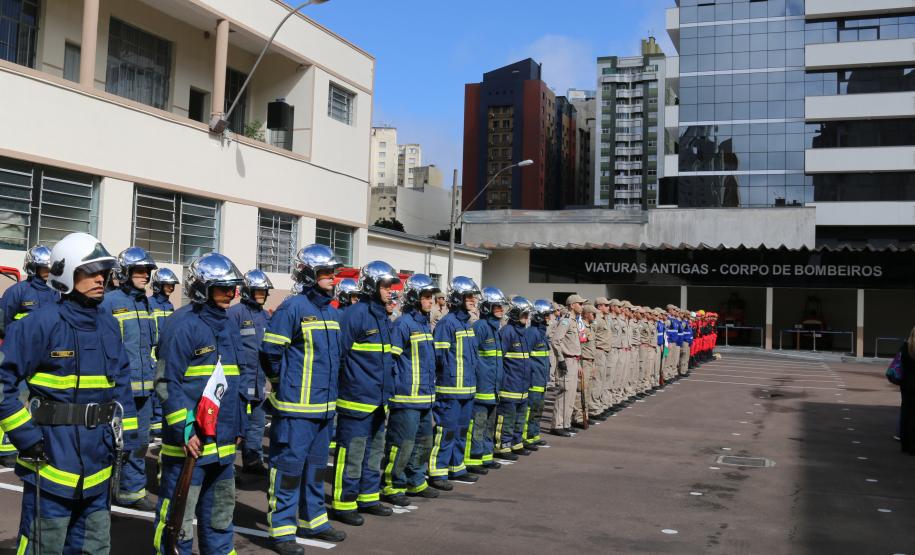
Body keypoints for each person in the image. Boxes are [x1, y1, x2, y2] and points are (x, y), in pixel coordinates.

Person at [0, 232, 140, 554]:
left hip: (99, 464)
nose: (100, 279)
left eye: (103, 273)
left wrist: (128, 438)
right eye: (90, 272)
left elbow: (121, 385)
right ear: (66, 273)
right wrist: (24, 434)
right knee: (43, 547)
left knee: (94, 548)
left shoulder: (108, 325)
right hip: (51, 460)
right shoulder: (38, 324)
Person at [152, 252, 247, 555]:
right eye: (222, 289)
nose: (230, 295)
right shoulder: (181, 325)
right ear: (200, 289)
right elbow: (167, 383)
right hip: (190, 445)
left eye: (233, 289)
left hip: (223, 444)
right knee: (177, 520)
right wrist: (185, 428)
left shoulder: (230, 325)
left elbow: (235, 381)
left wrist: (239, 425)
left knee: (220, 516)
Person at [260, 245, 346, 552]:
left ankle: (314, 522)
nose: (332, 279)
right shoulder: (292, 307)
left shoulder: (332, 313)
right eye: (325, 274)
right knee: (287, 470)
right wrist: (282, 385)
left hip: (324, 410)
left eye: (333, 274)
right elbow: (270, 352)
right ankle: (282, 530)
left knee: (316, 469)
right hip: (296, 410)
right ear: (309, 274)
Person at [333, 261, 400, 524]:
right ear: (372, 285)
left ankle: (368, 496)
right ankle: (344, 502)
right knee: (352, 453)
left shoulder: (382, 315)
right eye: (385, 286)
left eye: (389, 286)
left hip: (378, 400)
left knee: (374, 451)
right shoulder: (355, 314)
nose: (389, 291)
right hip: (356, 399)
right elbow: (339, 355)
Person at [101, 246, 159, 510]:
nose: (145, 275)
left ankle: (132, 492)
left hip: (145, 389)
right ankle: (103, 493)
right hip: (119, 389)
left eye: (147, 271)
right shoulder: (108, 302)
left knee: (138, 442)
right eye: (139, 271)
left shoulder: (146, 302)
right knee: (112, 443)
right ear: (124, 273)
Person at [382, 274, 441, 505]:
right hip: (406, 398)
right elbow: (391, 360)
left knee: (424, 442)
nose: (431, 302)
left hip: (425, 397)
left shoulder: (424, 325)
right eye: (427, 298)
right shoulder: (403, 324)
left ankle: (416, 481)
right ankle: (392, 484)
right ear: (416, 298)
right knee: (401, 444)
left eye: (432, 298)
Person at [0, 246, 59, 466]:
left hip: (46, 362)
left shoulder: (56, 293)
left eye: (49, 267)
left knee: (40, 404)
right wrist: (17, 344)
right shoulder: (18, 291)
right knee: (13, 401)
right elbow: (2, 321)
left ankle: (35, 443)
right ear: (32, 267)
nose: (46, 271)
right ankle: (5, 449)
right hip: (22, 358)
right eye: (42, 267)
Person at [429, 276, 480, 488]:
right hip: (450, 390)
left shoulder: (466, 324)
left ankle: (456, 467)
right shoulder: (447, 324)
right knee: (446, 431)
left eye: (473, 297)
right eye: (468, 297)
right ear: (458, 298)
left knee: (461, 431)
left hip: (467, 390)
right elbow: (438, 358)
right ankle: (438, 472)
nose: (473, 300)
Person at [228, 269, 273, 476]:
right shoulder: (234, 313)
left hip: (259, 381)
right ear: (247, 291)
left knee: (256, 424)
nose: (262, 295)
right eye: (258, 291)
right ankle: (227, 466)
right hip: (239, 380)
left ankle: (253, 460)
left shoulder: (266, 316)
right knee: (234, 424)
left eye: (264, 291)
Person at [467, 287, 508, 472]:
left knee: (489, 424)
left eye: (501, 307)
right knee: (479, 424)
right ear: (487, 307)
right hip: (482, 387)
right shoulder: (480, 327)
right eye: (496, 307)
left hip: (493, 387)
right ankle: (474, 459)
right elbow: (472, 357)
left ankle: (486, 455)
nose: (500, 310)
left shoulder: (496, 329)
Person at [497, 296, 534, 455]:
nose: (527, 318)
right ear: (515, 314)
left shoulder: (524, 333)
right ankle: (503, 445)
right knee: (507, 418)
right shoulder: (507, 331)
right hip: (510, 385)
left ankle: (516, 443)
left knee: (520, 417)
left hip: (522, 386)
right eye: (524, 314)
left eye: (528, 315)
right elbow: (500, 358)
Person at [148, 268, 180, 439]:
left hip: (165, 354)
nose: (171, 288)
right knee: (153, 392)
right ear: (158, 285)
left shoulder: (170, 306)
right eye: (168, 285)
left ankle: (159, 426)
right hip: (152, 354)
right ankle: (153, 426)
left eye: (172, 285)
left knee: (163, 388)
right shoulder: (149, 304)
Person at [550, 294, 585, 437]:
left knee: (570, 394)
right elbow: (555, 341)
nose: (582, 306)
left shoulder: (574, 321)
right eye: (580, 303)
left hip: (574, 360)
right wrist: (561, 359)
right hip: (567, 360)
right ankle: (557, 425)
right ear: (572, 305)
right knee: (564, 393)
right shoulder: (566, 321)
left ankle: (566, 423)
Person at [523, 299, 552, 448]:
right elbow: (525, 357)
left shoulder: (541, 333)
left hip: (541, 380)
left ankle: (533, 435)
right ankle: (525, 437)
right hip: (533, 379)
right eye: (547, 315)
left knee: (538, 409)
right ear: (539, 316)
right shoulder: (532, 333)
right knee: (530, 409)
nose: (549, 318)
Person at [572, 304, 597, 427]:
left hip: (590, 361)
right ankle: (578, 417)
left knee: (587, 390)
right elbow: (579, 347)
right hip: (583, 361)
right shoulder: (581, 327)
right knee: (580, 390)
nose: (594, 316)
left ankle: (584, 415)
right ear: (586, 314)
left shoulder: (591, 327)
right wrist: (579, 363)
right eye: (592, 313)